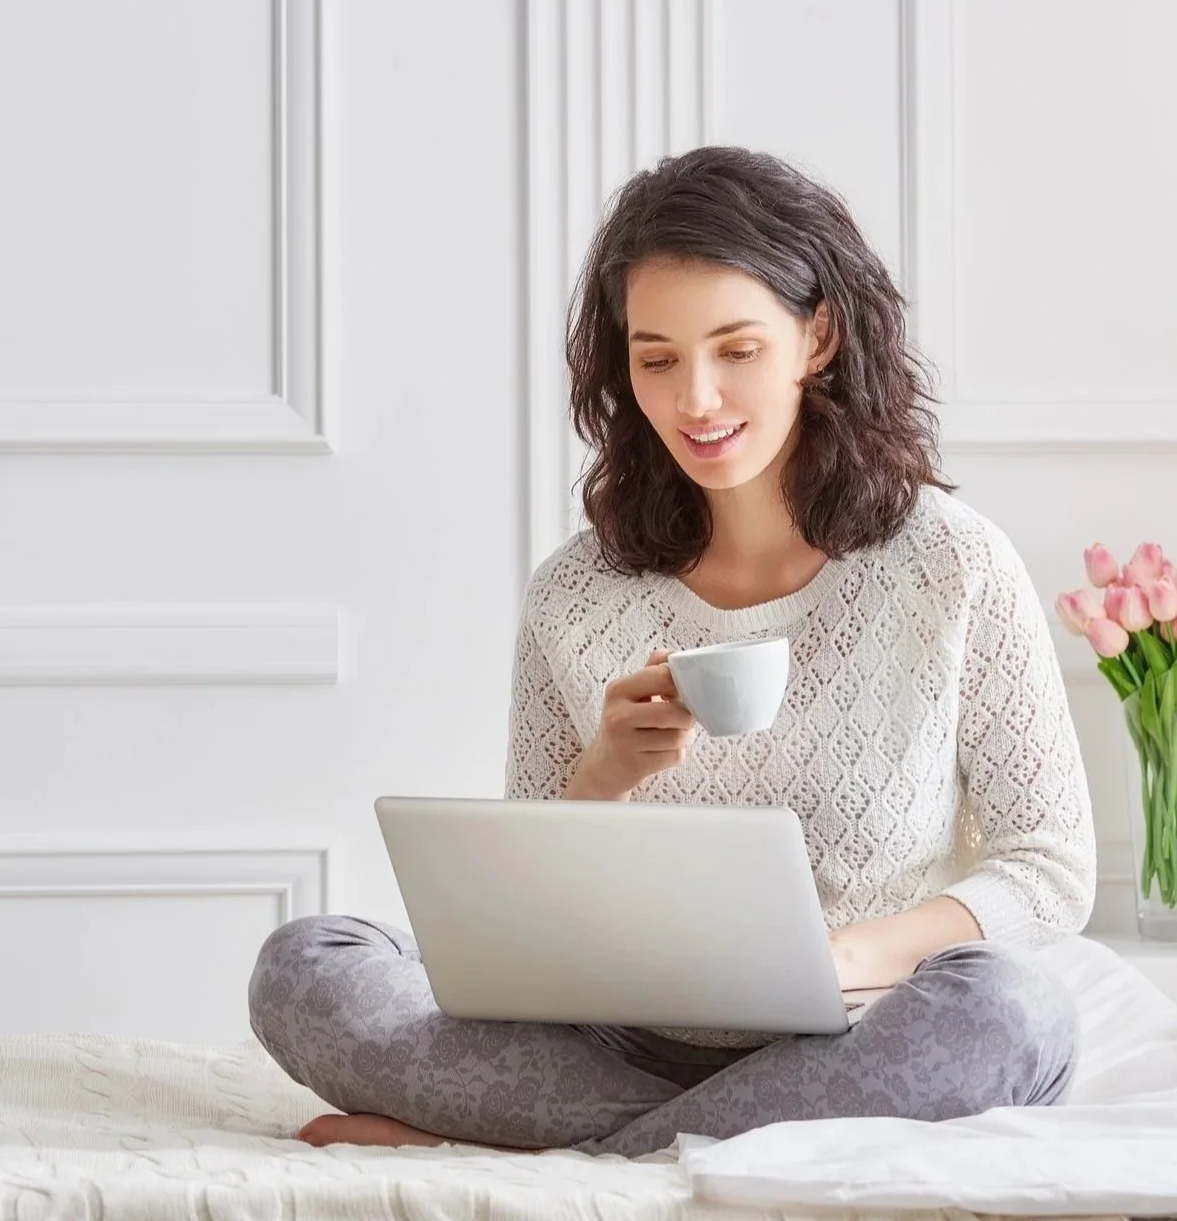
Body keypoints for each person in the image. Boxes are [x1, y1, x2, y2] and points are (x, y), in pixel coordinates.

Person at [248, 146, 1096, 1157]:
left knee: (1012, 1016)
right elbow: (524, 914)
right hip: (612, 1041)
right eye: (656, 358)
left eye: (735, 348)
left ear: (816, 334)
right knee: (305, 966)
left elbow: (1047, 866)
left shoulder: (950, 564)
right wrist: (600, 774)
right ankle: (682, 1140)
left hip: (861, 1029)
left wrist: (847, 956)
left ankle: (566, 1153)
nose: (696, 398)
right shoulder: (577, 591)